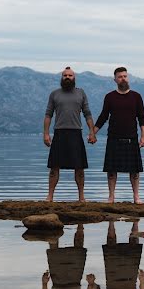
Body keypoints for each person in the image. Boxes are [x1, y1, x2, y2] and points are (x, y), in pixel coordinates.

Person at [94, 67, 144, 204]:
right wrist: (93, 132)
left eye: (125, 76)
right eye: (120, 77)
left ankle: (136, 197)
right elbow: (103, 116)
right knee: (111, 171)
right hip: (114, 138)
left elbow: (142, 117)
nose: (123, 79)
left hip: (131, 138)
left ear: (128, 77)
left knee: (134, 171)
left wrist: (143, 136)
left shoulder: (136, 96)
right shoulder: (110, 97)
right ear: (115, 79)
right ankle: (111, 197)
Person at [43, 67, 96, 202]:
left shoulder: (81, 93)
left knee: (79, 167)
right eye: (65, 75)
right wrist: (46, 134)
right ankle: (50, 196)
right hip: (59, 133)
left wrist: (91, 132)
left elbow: (87, 113)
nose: (67, 77)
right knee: (54, 167)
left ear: (74, 78)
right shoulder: (54, 94)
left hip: (76, 133)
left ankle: (81, 197)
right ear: (62, 77)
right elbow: (48, 114)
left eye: (70, 75)